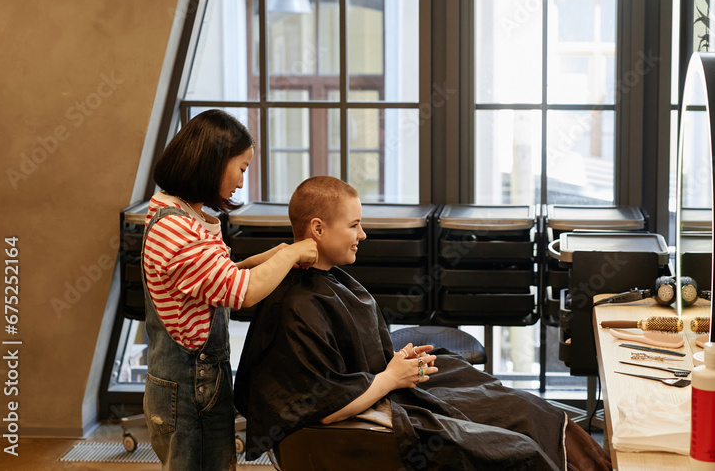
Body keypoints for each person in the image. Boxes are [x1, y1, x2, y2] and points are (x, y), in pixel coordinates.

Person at [234, 175, 612, 471]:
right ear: (318, 229)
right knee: (516, 448)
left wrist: (396, 362)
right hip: (365, 416)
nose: (362, 235)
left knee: (527, 407)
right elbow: (321, 406)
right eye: (354, 225)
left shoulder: (327, 280)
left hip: (381, 389)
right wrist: (390, 377)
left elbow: (349, 360)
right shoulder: (298, 304)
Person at [141, 109, 318, 471]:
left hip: (192, 383)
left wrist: (278, 254)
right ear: (214, 161)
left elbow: (213, 280)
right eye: (242, 167)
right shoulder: (177, 231)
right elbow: (242, 292)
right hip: (192, 389)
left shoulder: (173, 213)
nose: (242, 180)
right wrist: (296, 252)